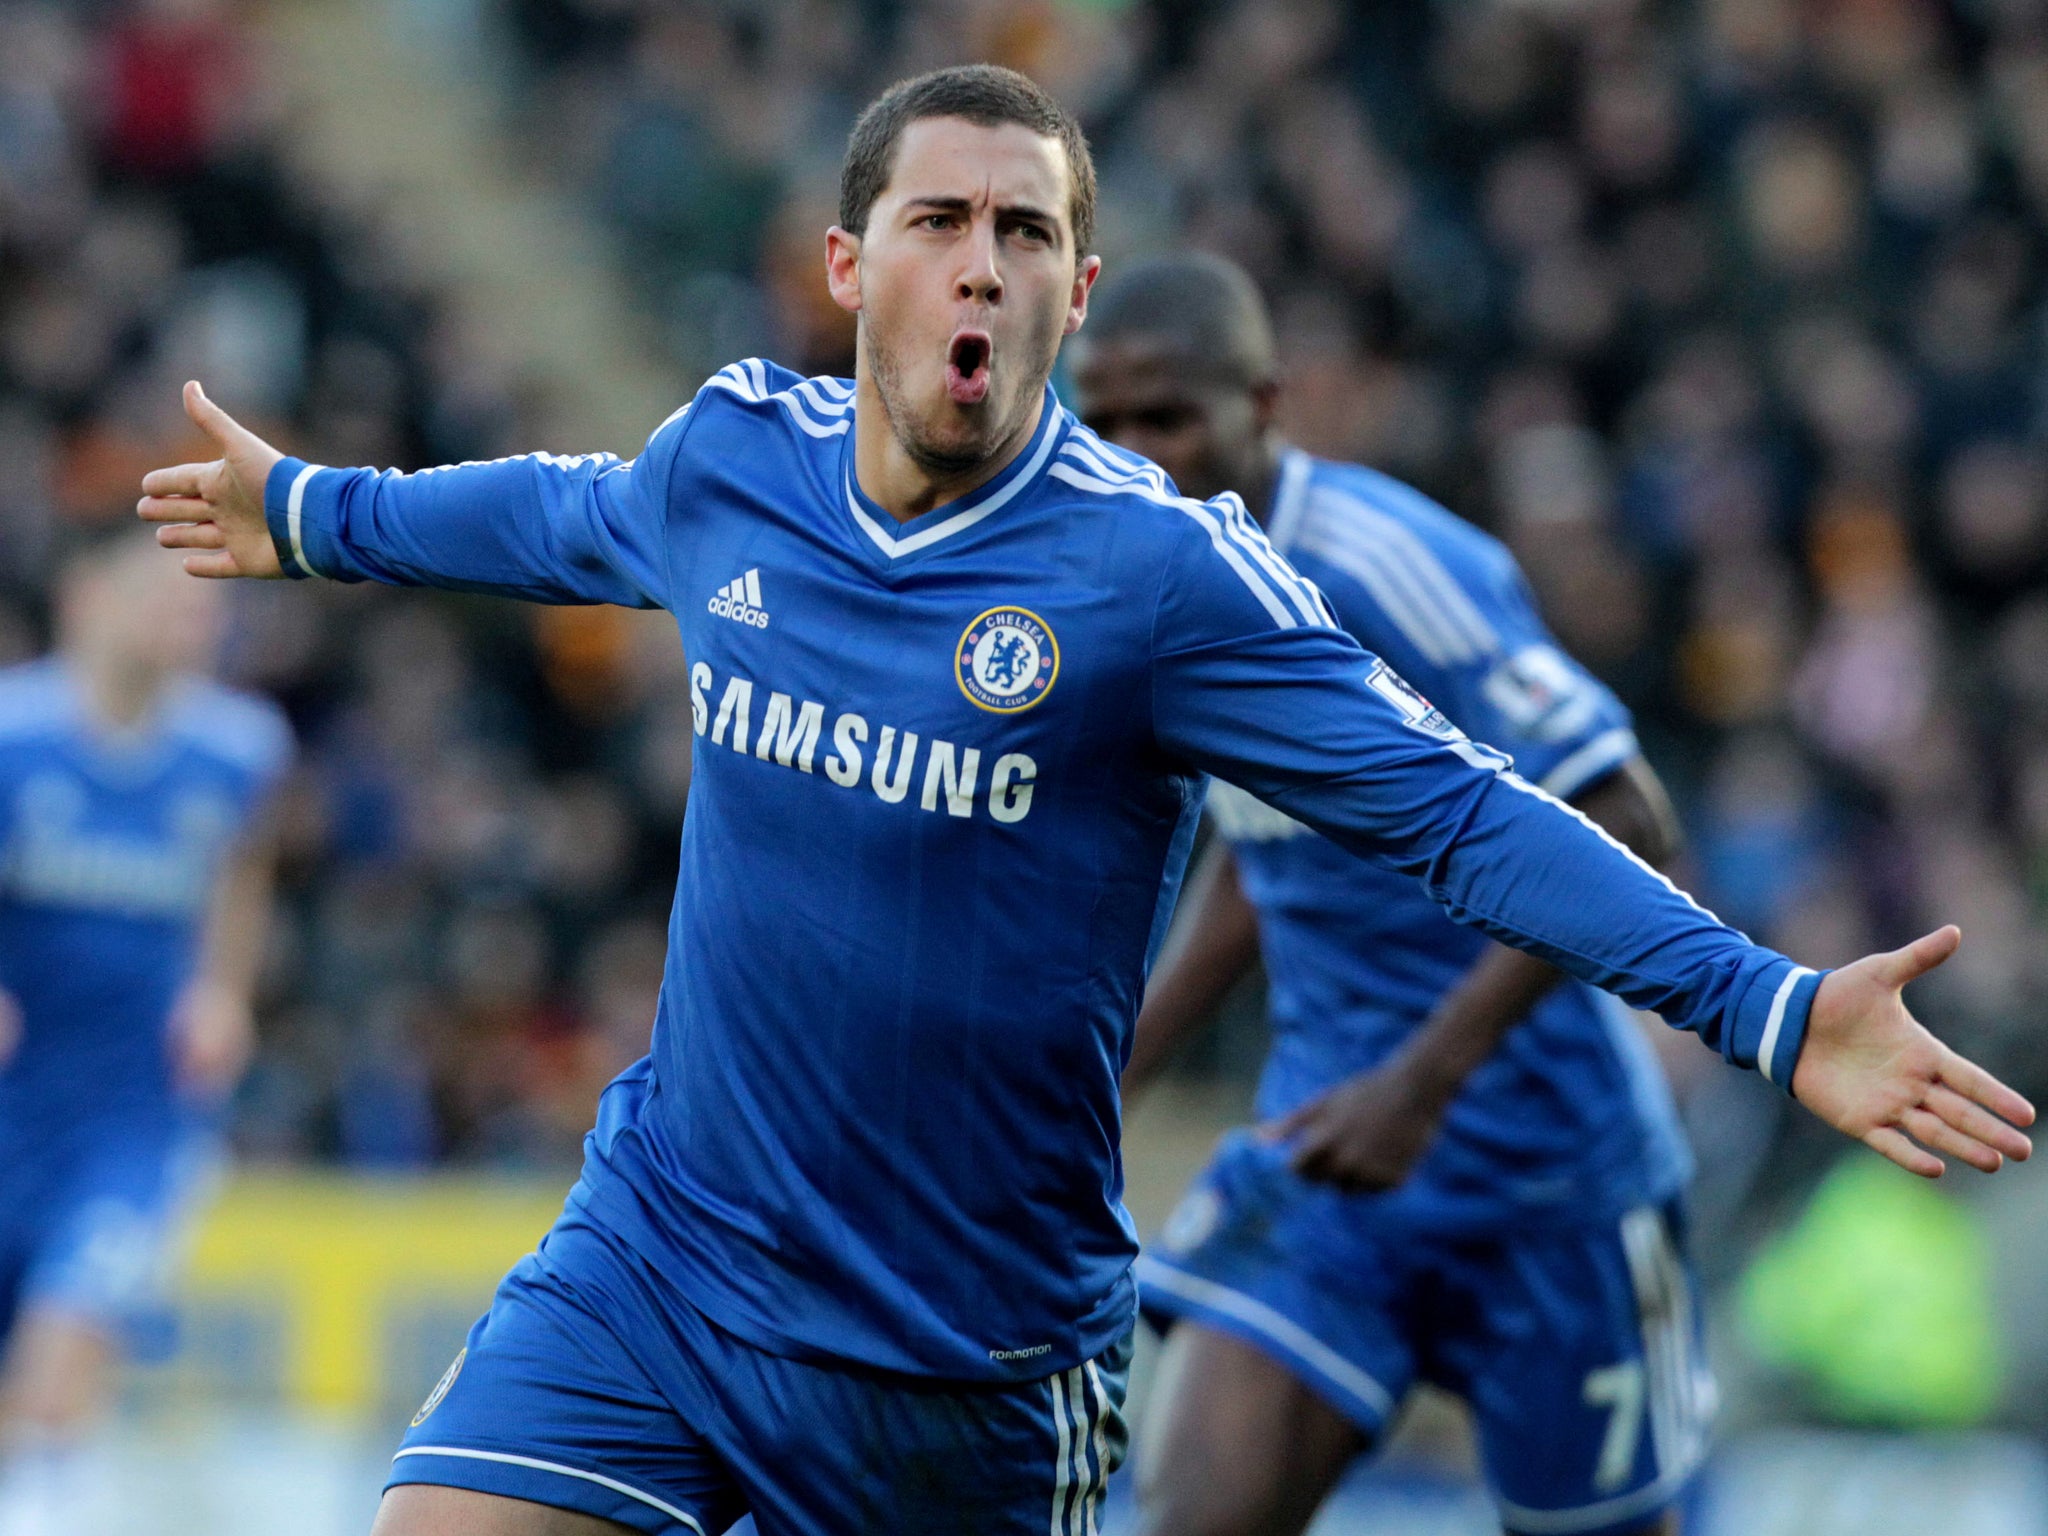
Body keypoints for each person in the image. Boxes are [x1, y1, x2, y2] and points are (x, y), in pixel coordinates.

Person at [136, 65, 2030, 1536]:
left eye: (1026, 233)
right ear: (848, 266)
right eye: (942, 221)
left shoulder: (1161, 582)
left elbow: (1467, 811)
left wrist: (1766, 1007)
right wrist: (309, 514)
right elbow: (552, 514)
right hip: (661, 1256)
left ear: (1076, 285)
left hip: (953, 1367)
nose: (982, 263)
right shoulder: (730, 462)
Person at [1071, 251, 1731, 1536]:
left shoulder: (1389, 571)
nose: (1134, 456)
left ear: (1261, 406)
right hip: (1328, 1160)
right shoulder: (1150, 589)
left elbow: (1625, 818)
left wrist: (1420, 1085)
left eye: (1168, 419)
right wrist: (1107, 1076)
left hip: (1552, 1185)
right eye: (1100, 423)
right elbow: (1270, 858)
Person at [0, 530, 290, 1536]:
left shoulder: (236, 750)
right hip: (15, 1096)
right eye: (165, 597)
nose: (189, 620)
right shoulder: (13, 737)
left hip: (139, 1113)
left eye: (204, 606)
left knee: (63, 1346)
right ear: (88, 598)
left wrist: (222, 990)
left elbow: (241, 878)